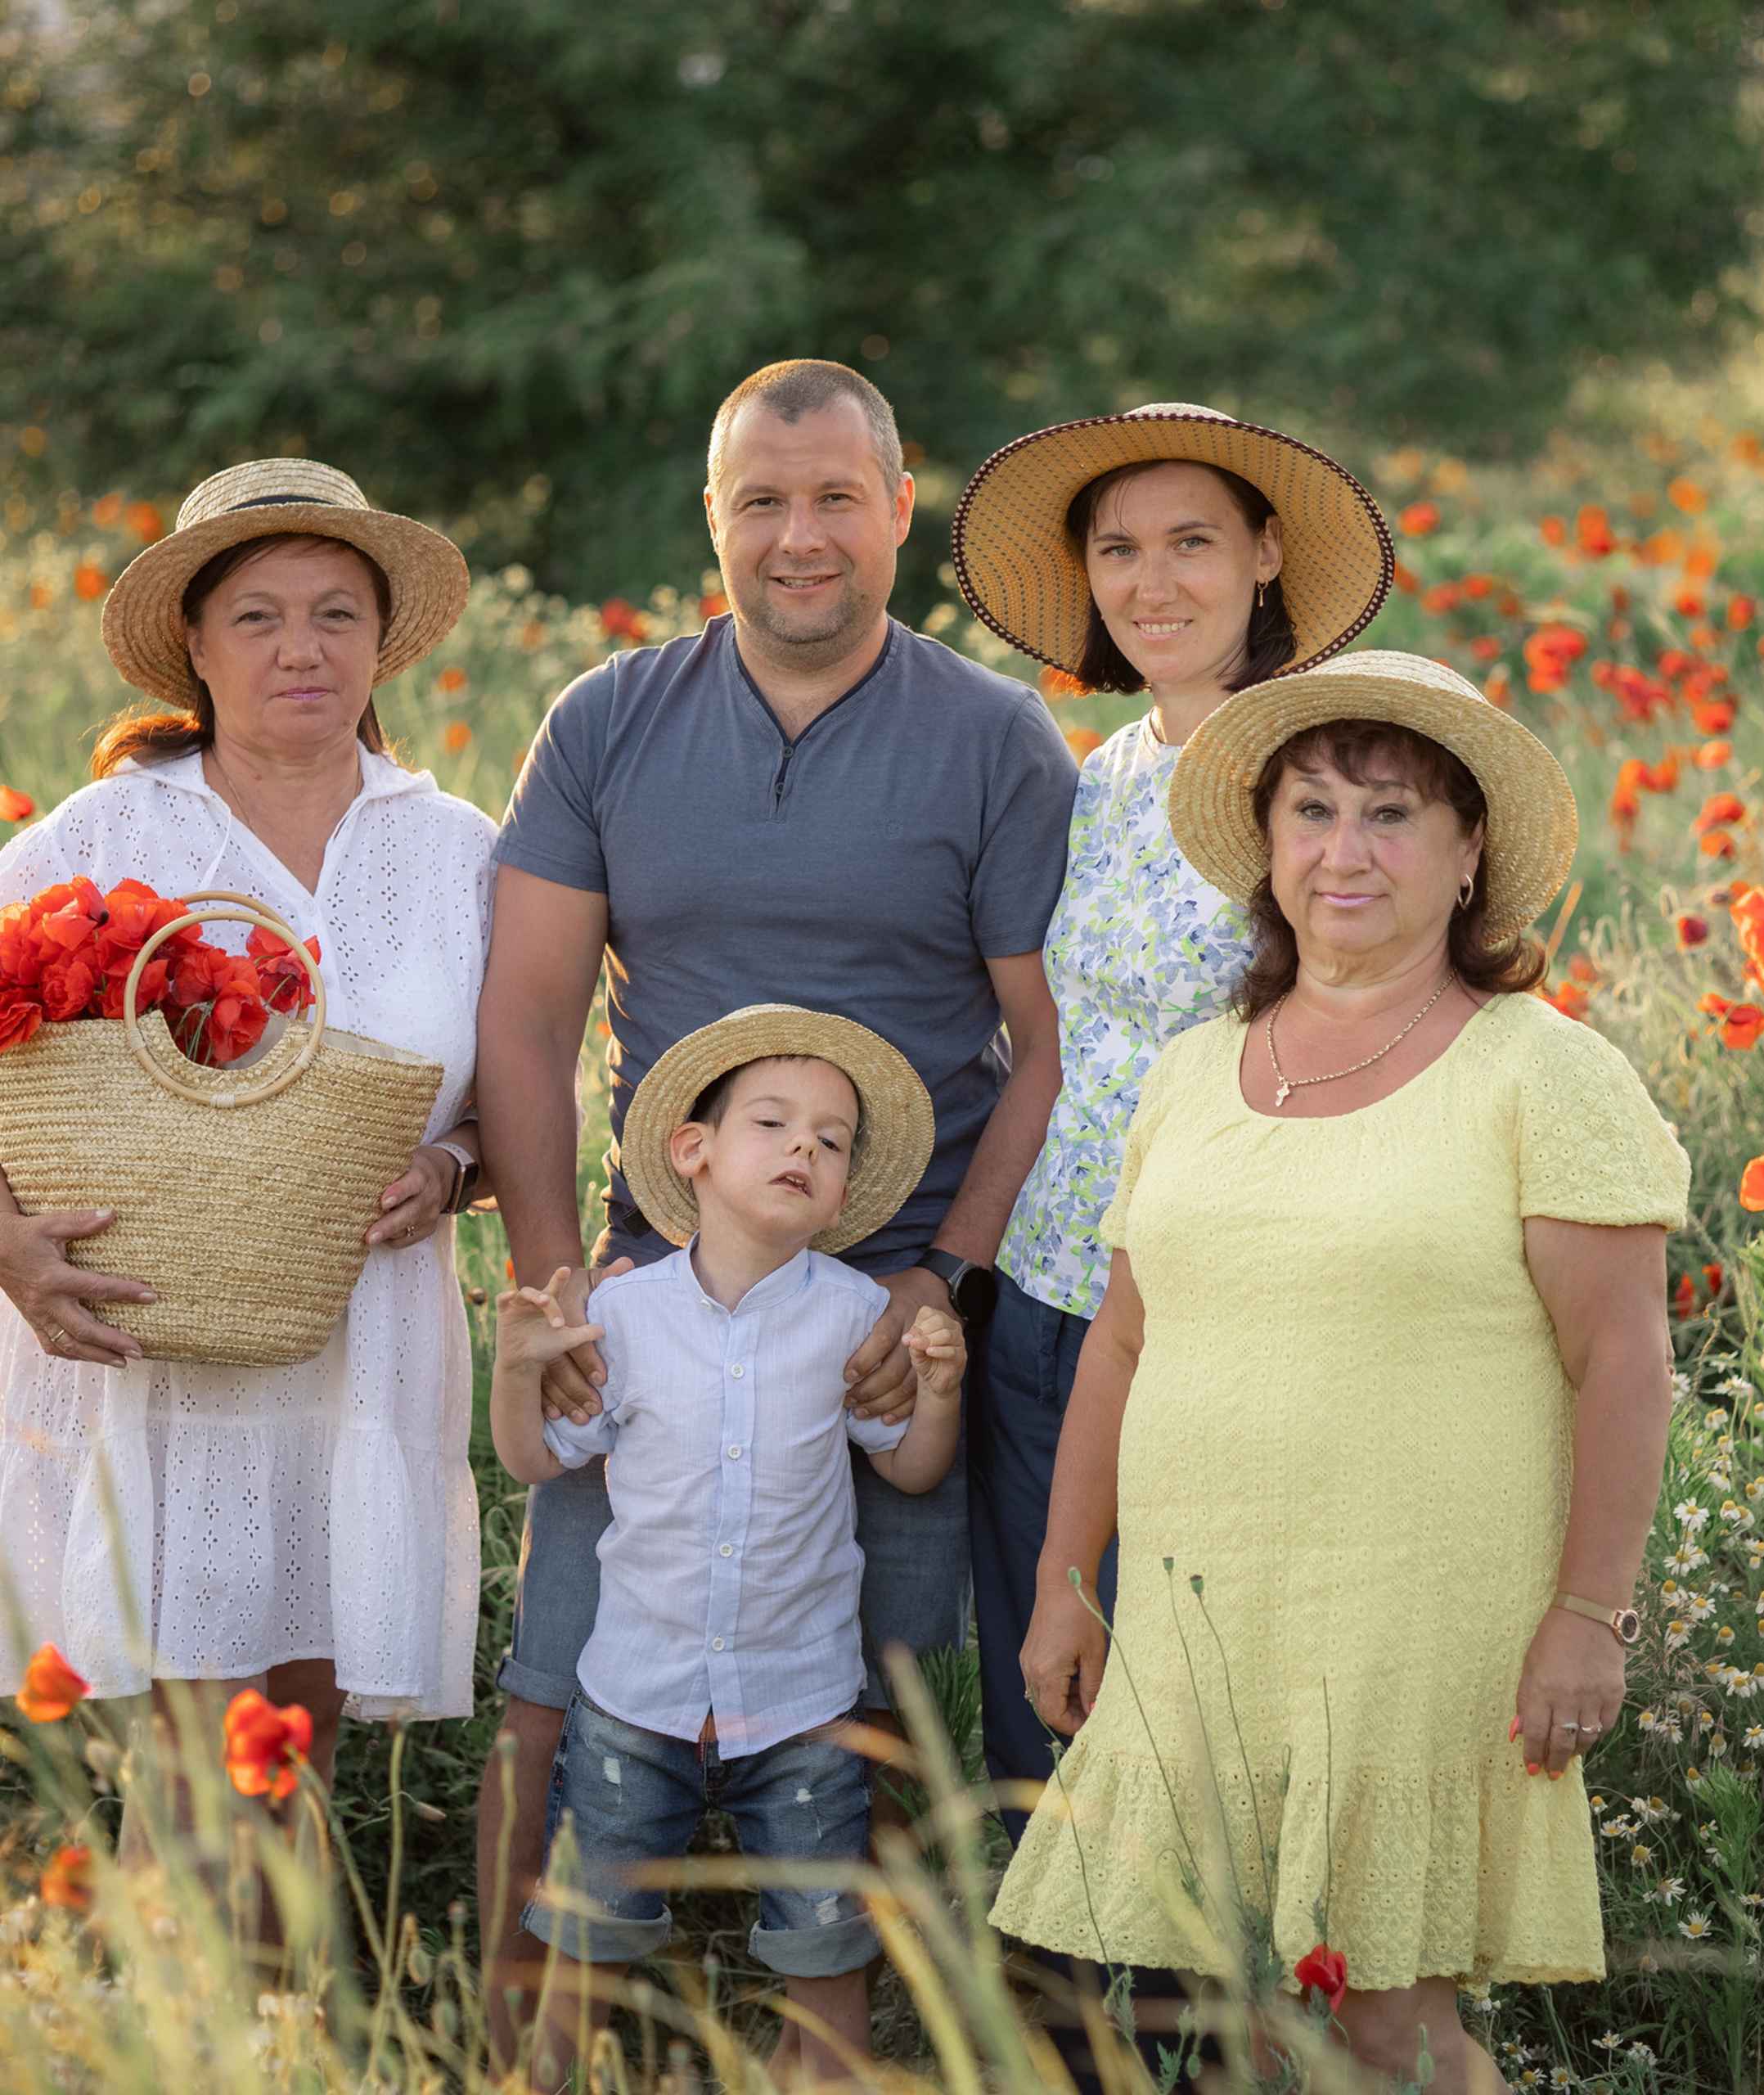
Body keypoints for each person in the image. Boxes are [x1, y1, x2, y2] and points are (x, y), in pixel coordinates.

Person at [474, 358, 1075, 2056]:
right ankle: (521, 2030)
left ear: (900, 510)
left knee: (869, 1693)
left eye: (833, 497)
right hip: (656, 1275)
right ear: (711, 521)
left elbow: (1039, 1045)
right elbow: (522, 1016)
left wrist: (936, 1286)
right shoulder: (609, 719)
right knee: (563, 1671)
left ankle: (840, 2031)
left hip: (882, 1299)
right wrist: (553, 1277)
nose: (796, 536)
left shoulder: (990, 737)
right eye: (760, 500)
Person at [994, 651, 1690, 2091]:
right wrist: (1070, 1581)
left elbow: (1623, 1362)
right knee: (1242, 2022)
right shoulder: (1194, 1070)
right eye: (1311, 811)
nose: (1343, 851)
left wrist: (1588, 1617)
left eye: (1389, 815)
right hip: (1207, 1626)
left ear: (1468, 852)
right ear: (1267, 847)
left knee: (1394, 2029)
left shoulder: (1536, 1070)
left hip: (1419, 1627)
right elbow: (1125, 1343)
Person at [0, 460, 492, 1828]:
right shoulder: (102, 841)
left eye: (338, 613)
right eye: (260, 616)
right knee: (187, 1775)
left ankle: (294, 2033)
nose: (302, 647)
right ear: (198, 651)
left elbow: (512, 1105)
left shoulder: (459, 850)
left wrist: (452, 1170)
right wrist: (8, 1249)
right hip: (148, 1362)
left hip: (367, 1350)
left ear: (382, 642)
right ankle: (193, 2031)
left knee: (297, 1763)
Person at [949, 402, 1393, 1843]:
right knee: (1047, 1694)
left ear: (1267, 553)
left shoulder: (1329, 781)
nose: (1152, 583)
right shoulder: (1102, 781)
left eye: (1192, 541)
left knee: (1197, 1699)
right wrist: (960, 1270)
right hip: (1050, 1295)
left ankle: (1204, 2032)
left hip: (1224, 1313)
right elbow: (1055, 1055)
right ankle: (1053, 2029)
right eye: (1118, 548)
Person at [488, 1006, 965, 2091]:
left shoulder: (854, 1317)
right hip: (634, 1699)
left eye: (832, 1141)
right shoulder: (627, 1315)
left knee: (826, 1943)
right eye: (773, 1122)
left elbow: (909, 1469)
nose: (805, 1147)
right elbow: (537, 1459)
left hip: (803, 1702)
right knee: (585, 1942)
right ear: (694, 1152)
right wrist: (516, 1373)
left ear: (844, 1192)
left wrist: (936, 1395)